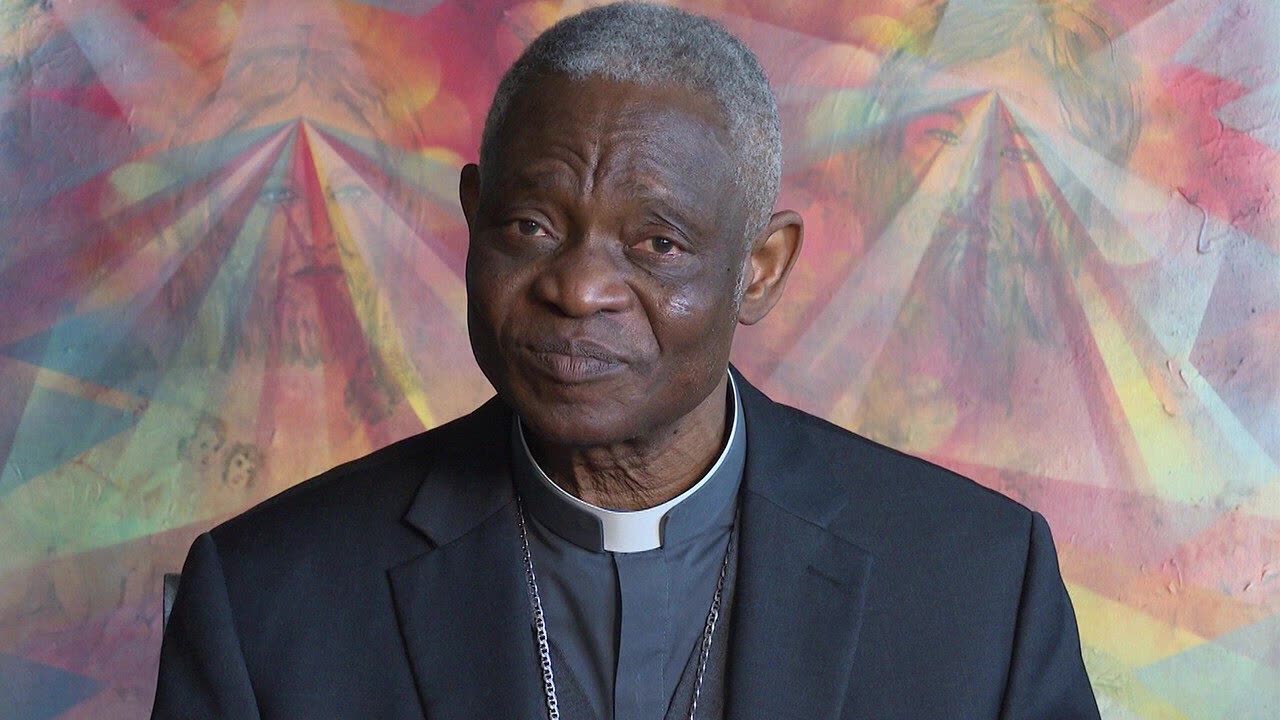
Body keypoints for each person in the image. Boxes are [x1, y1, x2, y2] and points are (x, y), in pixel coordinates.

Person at [151, 3, 1099, 718]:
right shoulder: (266, 599)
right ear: (474, 218)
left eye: (657, 244)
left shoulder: (978, 587)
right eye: (531, 226)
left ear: (760, 270)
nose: (578, 289)